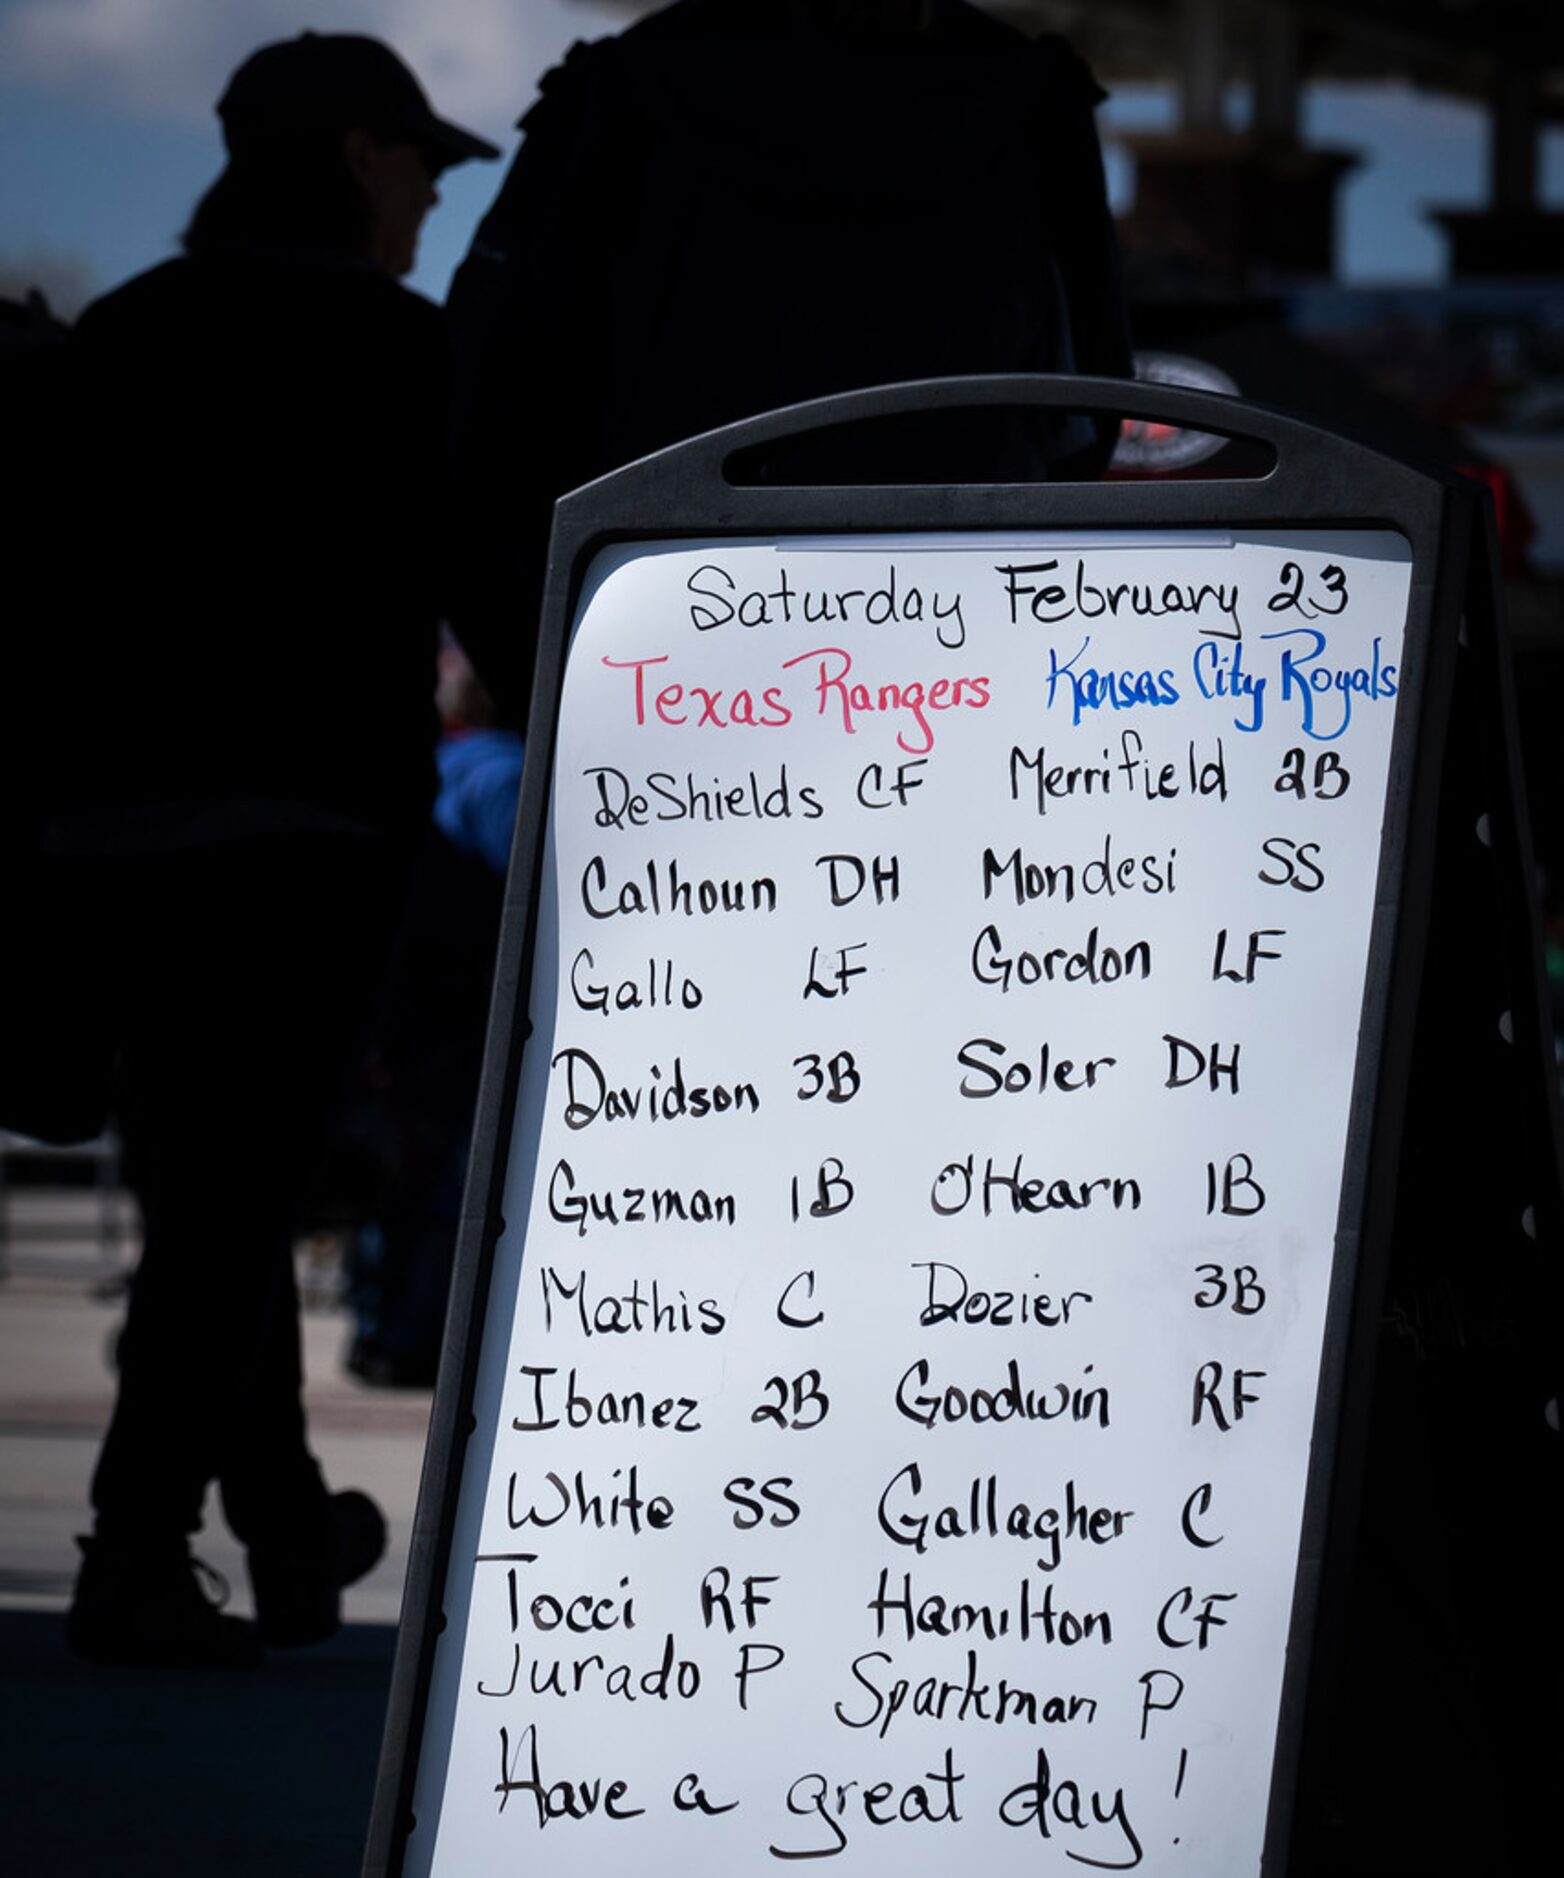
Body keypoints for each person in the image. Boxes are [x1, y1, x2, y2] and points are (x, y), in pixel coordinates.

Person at [42, 32, 498, 1667]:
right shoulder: (405, 352)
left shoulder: (122, 334)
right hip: (303, 831)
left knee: (209, 1184)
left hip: (96, 831)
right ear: (364, 158)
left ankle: (289, 1528)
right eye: (426, 171)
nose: (432, 205)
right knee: (230, 1198)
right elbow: (501, 602)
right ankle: (134, 1557)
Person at [445, 0, 1132, 708]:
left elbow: (489, 421)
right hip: (967, 634)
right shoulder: (1030, 96)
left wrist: (551, 692)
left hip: (669, 654)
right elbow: (1091, 406)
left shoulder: (622, 88)